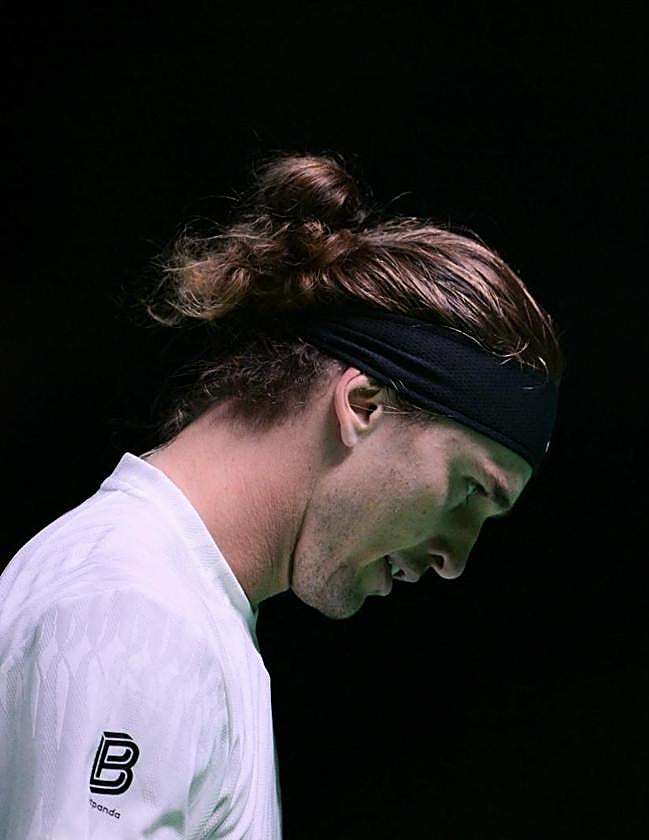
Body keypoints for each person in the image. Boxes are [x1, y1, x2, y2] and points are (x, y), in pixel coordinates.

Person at [0, 154, 563, 837]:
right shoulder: (136, 614)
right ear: (363, 404)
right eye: (469, 490)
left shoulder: (184, 608)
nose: (455, 559)